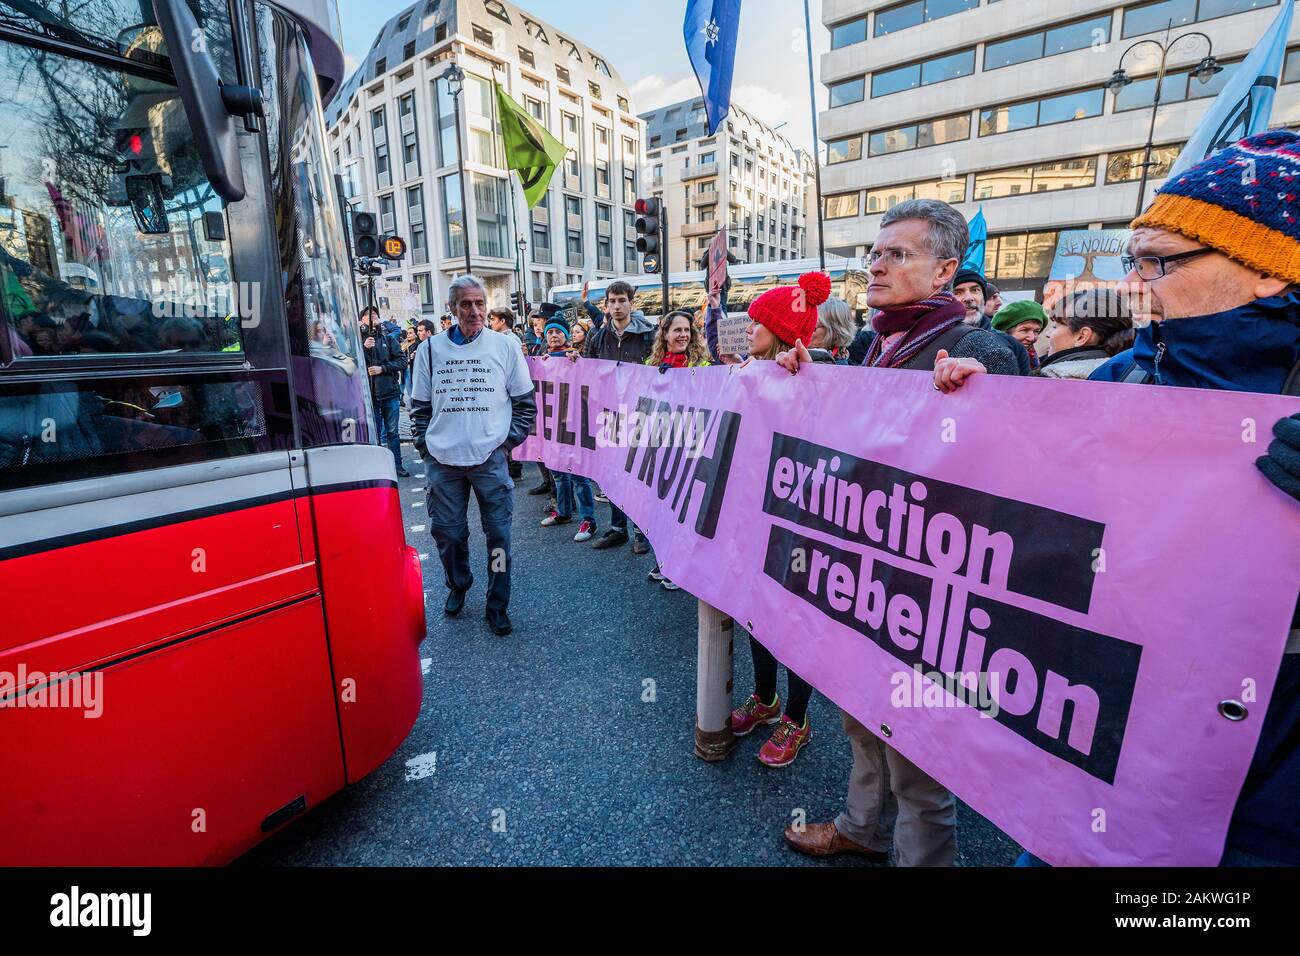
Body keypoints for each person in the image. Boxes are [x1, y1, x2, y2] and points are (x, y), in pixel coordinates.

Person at [937, 130, 1300, 866]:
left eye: (1156, 263)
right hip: (1099, 734)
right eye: (1133, 264)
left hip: (1260, 789)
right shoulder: (1126, 377)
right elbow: (1036, 493)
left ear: (1266, 270)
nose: (1133, 286)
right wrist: (979, 414)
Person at [779, 200, 1019, 865]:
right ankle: (861, 826)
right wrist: (812, 385)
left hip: (927, 593)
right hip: (863, 576)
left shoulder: (978, 346)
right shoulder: (874, 344)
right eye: (874, 253)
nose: (876, 265)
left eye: (897, 254)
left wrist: (988, 395)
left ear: (945, 270)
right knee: (860, 714)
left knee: (917, 751)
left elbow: (1023, 454)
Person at [732, 272, 833, 768]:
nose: (750, 330)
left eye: (758, 323)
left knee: (795, 621)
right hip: (757, 515)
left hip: (803, 523)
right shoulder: (752, 372)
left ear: (780, 330)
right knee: (759, 612)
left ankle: (797, 717)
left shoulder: (819, 375)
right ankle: (766, 699)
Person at [410, 274, 537, 637]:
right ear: (451, 309)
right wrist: (426, 448)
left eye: (479, 303)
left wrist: (504, 446)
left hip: (489, 461)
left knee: (498, 537)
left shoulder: (505, 346)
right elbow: (419, 408)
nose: (474, 311)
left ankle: (497, 604)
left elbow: (525, 405)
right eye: (466, 304)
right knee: (448, 534)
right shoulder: (430, 350)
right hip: (443, 462)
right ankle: (458, 583)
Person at [583, 279, 656, 554]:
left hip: (640, 413)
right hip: (609, 414)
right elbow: (588, 371)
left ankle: (641, 531)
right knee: (612, 473)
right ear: (606, 305)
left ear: (631, 303)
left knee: (637, 473)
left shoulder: (648, 334)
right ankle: (617, 529)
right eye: (611, 301)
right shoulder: (598, 336)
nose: (616, 306)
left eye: (621, 300)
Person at [643, 309, 712, 591]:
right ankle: (665, 561)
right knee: (662, 509)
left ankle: (681, 569)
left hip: (691, 445)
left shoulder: (704, 365)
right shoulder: (651, 363)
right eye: (677, 330)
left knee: (684, 511)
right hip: (662, 446)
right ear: (666, 334)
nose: (683, 335)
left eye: (687, 330)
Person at [534, 312, 598, 543]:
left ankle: (589, 519)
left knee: (579, 475)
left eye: (557, 332)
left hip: (575, 423)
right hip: (552, 424)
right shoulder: (542, 360)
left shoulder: (575, 358)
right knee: (558, 472)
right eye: (549, 332)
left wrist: (578, 360)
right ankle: (564, 511)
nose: (553, 336)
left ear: (566, 336)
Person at [1038, 288, 1134, 380]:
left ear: (1082, 337)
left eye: (1055, 327)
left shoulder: (1054, 379)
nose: (1047, 333)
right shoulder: (1127, 374)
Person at [950, 268, 1031, 375]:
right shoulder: (935, 340)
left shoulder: (1012, 345)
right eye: (958, 292)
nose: (969, 298)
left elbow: (1023, 388)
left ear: (983, 298)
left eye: (975, 290)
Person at [359, 308, 409, 478]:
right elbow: (352, 363)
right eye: (368, 315)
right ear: (362, 320)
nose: (373, 317)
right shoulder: (358, 340)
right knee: (375, 433)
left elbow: (402, 361)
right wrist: (364, 348)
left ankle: (397, 465)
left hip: (390, 393)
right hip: (371, 395)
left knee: (393, 432)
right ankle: (378, 467)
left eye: (375, 314)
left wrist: (383, 368)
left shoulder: (388, 338)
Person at [990, 299, 1047, 372]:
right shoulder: (995, 359)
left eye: (1036, 331)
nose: (1032, 338)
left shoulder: (1032, 356)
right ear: (1006, 332)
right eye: (1024, 330)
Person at [808, 296, 856, 364]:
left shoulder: (838, 369)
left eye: (813, 328)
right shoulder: (795, 356)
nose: (805, 332)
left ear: (835, 332)